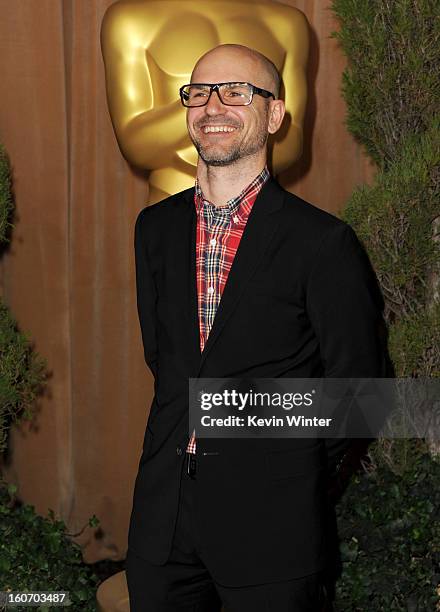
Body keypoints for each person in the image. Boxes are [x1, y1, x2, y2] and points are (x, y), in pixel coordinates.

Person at [126, 44, 387, 611]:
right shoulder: (155, 229)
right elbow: (166, 364)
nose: (213, 105)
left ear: (274, 115)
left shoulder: (323, 243)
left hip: (273, 530)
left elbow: (363, 394)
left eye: (237, 92)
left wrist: (286, 473)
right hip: (162, 527)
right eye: (199, 92)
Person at [101, 0, 308, 203]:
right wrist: (227, 103)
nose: (214, 107)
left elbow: (291, 140)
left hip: (262, 207)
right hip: (171, 200)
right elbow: (137, 144)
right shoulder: (130, 20)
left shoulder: (286, 23)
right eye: (198, 93)